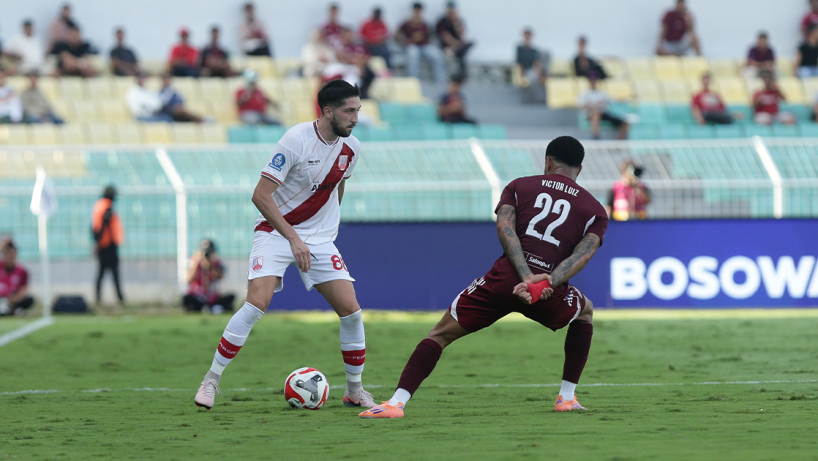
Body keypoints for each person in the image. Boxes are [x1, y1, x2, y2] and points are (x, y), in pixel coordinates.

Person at [359, 136, 608, 419]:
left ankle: (396, 403)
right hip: (546, 293)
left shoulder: (519, 186)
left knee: (439, 335)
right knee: (585, 311)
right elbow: (582, 255)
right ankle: (566, 397)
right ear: (581, 168)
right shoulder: (595, 210)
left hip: (502, 282)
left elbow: (505, 228)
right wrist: (546, 282)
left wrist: (524, 274)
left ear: (548, 161)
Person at [194, 79, 376, 411]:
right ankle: (211, 380)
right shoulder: (295, 140)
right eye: (349, 111)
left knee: (351, 311)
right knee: (256, 303)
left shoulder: (353, 149)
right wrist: (293, 237)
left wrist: (324, 228)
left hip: (318, 241)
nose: (355, 118)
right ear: (327, 111)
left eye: (358, 111)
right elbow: (260, 196)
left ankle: (354, 390)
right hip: (276, 233)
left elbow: (337, 186)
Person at [396, 2, 446, 84]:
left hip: (424, 46)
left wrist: (421, 38)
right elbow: (396, 36)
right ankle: (413, 80)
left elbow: (431, 36)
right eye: (416, 11)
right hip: (411, 46)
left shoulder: (424, 24)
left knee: (437, 54)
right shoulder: (406, 23)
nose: (417, 13)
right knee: (413, 53)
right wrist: (408, 40)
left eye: (419, 11)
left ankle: (440, 80)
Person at [91, 185, 125, 306]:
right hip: (107, 245)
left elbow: (94, 227)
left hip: (103, 244)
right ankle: (120, 299)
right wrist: (99, 242)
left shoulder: (98, 205)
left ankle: (99, 298)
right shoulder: (106, 207)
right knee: (112, 273)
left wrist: (96, 242)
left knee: (102, 273)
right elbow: (104, 225)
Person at [183, 240, 235, 314]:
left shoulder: (216, 262)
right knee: (186, 298)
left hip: (212, 296)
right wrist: (197, 262)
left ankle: (211, 308)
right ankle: (210, 308)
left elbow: (220, 276)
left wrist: (211, 265)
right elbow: (189, 279)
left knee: (231, 297)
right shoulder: (193, 261)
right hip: (197, 296)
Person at [577, 72, 628, 139]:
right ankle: (596, 136)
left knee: (625, 122)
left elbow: (614, 99)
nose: (593, 82)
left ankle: (618, 143)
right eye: (592, 80)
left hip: (604, 113)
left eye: (595, 80)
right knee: (596, 113)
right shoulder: (584, 94)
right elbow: (582, 106)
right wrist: (594, 106)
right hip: (590, 114)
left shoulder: (602, 93)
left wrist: (628, 97)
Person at [436, 1, 474, 80]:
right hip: (446, 47)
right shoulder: (442, 22)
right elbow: (445, 37)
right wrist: (457, 44)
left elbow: (461, 34)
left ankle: (462, 77)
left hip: (457, 47)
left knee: (463, 52)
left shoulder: (458, 21)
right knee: (453, 55)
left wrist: (456, 24)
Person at [335, 28, 376, 99]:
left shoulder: (357, 45)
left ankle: (363, 93)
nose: (349, 37)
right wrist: (355, 60)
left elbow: (367, 56)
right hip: (348, 67)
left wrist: (359, 62)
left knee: (369, 72)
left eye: (350, 35)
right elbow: (341, 58)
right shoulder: (341, 46)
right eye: (347, 35)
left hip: (360, 66)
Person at [0, 239, 34, 317]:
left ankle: (11, 309)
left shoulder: (22, 271)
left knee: (29, 299)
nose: (10, 257)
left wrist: (10, 300)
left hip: (12, 299)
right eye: (7, 253)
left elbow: (23, 291)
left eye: (12, 254)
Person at [515, 28, 548, 103]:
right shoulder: (520, 49)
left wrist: (539, 71)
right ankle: (539, 98)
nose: (527, 37)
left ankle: (543, 74)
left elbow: (536, 62)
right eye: (526, 35)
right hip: (527, 70)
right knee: (533, 78)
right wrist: (521, 73)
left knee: (545, 54)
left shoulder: (534, 50)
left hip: (534, 69)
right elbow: (519, 62)